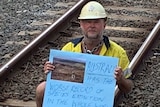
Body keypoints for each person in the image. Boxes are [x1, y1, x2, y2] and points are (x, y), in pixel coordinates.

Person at [35, 1, 133, 107]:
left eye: (96, 22)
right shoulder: (69, 48)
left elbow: (128, 87)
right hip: (72, 99)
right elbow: (58, 83)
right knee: (42, 88)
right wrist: (51, 70)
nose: (91, 26)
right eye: (87, 22)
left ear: (104, 24)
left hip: (98, 100)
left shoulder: (118, 52)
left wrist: (121, 79)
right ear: (81, 24)